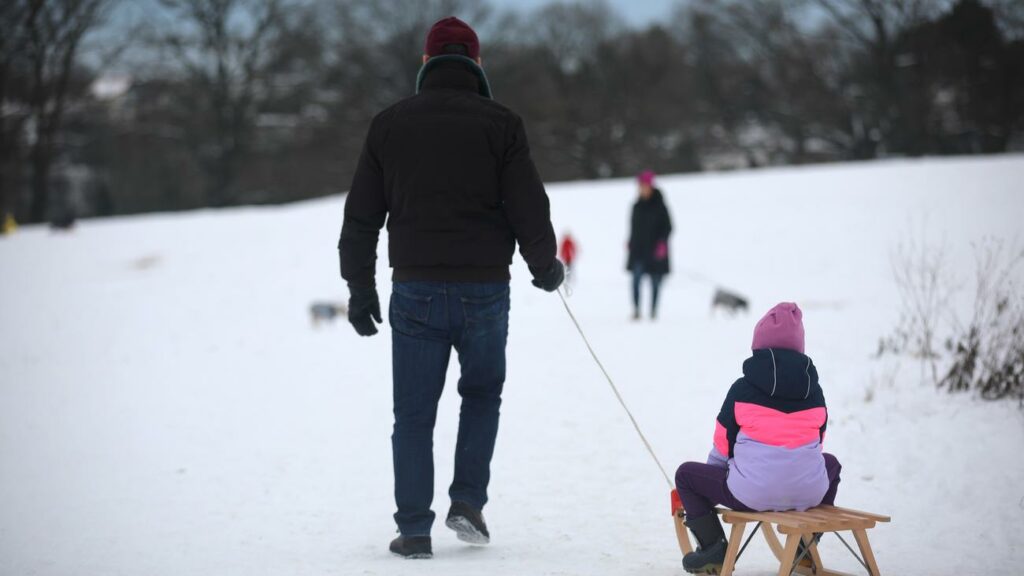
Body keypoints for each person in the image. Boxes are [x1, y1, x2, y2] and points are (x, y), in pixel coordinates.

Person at [337, 16, 564, 560]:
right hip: (485, 289)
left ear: (426, 64)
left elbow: (361, 218)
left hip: (414, 291)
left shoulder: (388, 126)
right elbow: (527, 202)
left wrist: (360, 288)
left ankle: (414, 530)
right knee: (481, 396)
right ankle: (467, 503)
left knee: (413, 413)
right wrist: (543, 262)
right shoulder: (502, 124)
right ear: (477, 64)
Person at [674, 302, 842, 574]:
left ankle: (713, 548)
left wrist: (714, 479)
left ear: (759, 347)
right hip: (807, 492)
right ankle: (805, 542)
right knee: (831, 464)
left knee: (685, 476)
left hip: (750, 493)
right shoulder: (815, 391)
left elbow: (723, 442)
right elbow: (818, 442)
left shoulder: (743, 389)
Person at [626, 170, 671, 320]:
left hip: (655, 252)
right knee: (636, 280)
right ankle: (637, 310)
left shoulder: (660, 206)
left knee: (655, 283)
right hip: (638, 251)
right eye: (640, 186)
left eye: (644, 185)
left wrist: (662, 243)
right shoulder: (636, 206)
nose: (642, 188)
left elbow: (668, 227)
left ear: (650, 186)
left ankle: (653, 311)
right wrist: (631, 242)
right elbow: (633, 227)